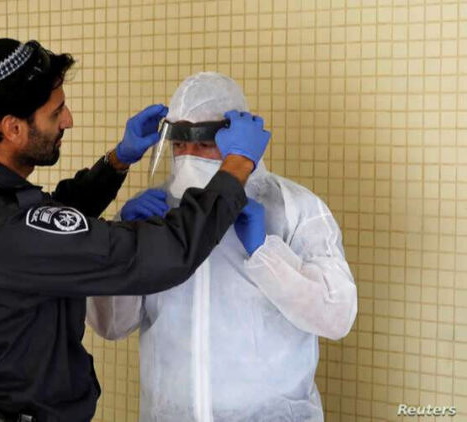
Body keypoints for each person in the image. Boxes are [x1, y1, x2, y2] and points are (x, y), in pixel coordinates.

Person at [0, 41, 271, 422]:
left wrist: (117, 160)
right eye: (56, 112)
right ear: (13, 128)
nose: (68, 120)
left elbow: (52, 216)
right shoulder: (0, 226)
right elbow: (166, 253)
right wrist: (237, 166)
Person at [87, 72, 358, 422]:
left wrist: (267, 254)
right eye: (179, 145)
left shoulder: (294, 209)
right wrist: (122, 245)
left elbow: (336, 316)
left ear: (238, 141)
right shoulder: (156, 212)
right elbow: (111, 325)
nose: (188, 156)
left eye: (203, 144)